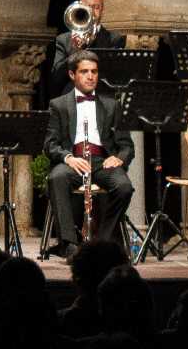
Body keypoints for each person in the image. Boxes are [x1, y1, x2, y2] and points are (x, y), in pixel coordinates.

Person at [44, 51, 134, 261]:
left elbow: (126, 145)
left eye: (94, 71)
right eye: (84, 71)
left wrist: (119, 158)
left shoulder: (112, 105)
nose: (90, 76)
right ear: (72, 75)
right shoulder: (58, 105)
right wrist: (68, 158)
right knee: (57, 178)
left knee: (124, 187)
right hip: (73, 160)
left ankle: (102, 241)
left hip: (102, 161)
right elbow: (50, 144)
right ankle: (69, 244)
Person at [47, 0, 125, 94]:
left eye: (96, 7)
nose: (91, 12)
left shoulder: (114, 38)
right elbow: (57, 78)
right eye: (87, 7)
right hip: (71, 97)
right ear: (79, 8)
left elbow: (114, 75)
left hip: (102, 97)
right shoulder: (64, 40)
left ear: (102, 10)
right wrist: (76, 51)